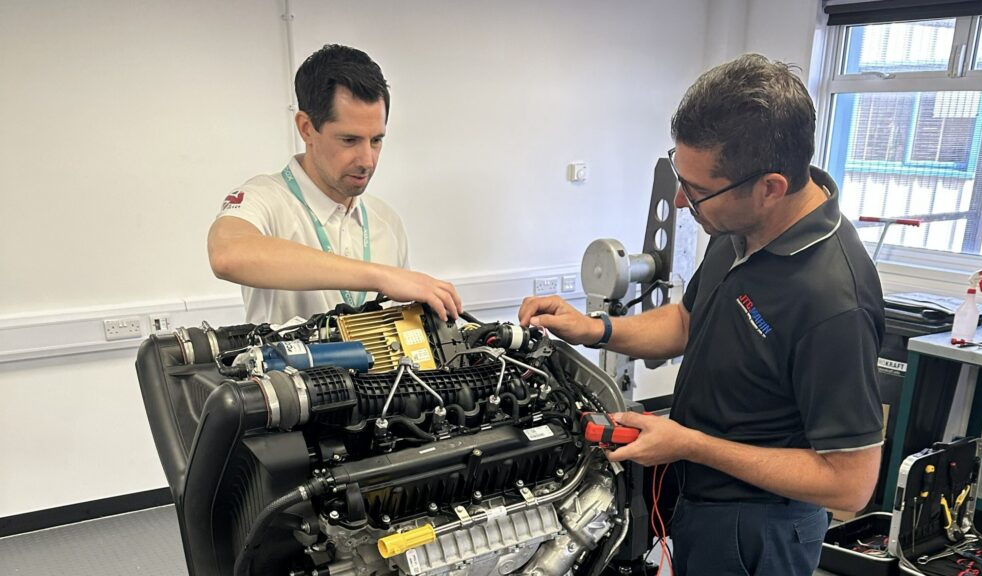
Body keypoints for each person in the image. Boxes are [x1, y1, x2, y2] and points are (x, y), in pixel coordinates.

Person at [518, 54, 884, 576]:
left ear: (770, 187)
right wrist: (595, 329)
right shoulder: (740, 227)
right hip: (697, 498)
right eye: (680, 176)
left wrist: (689, 443)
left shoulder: (834, 301)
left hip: (759, 531)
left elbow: (850, 482)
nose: (680, 202)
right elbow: (688, 323)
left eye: (697, 190)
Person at [208, 44, 461, 325]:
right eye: (349, 140)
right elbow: (227, 255)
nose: (367, 160)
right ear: (306, 128)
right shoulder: (263, 199)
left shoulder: (386, 221)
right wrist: (380, 276)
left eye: (376, 140)